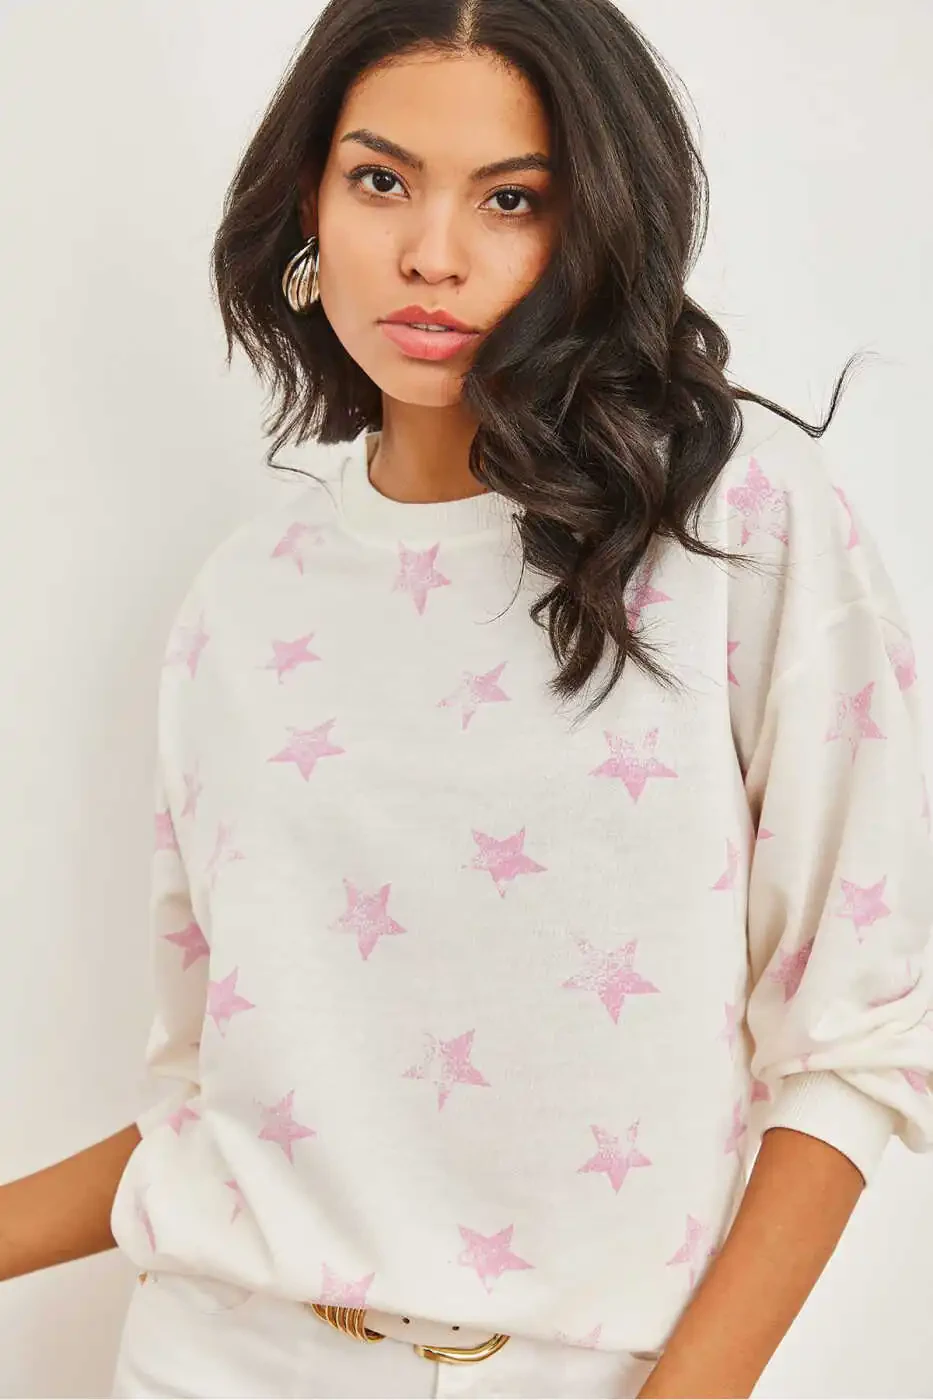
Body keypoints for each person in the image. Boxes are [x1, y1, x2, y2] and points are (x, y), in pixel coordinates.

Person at [3, 1, 932, 1396]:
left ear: (595, 225)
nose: (432, 254)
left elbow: (858, 1039)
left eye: (512, 199)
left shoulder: (733, 529)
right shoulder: (244, 599)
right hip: (207, 1360)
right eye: (382, 180)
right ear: (307, 203)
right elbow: (223, 1105)